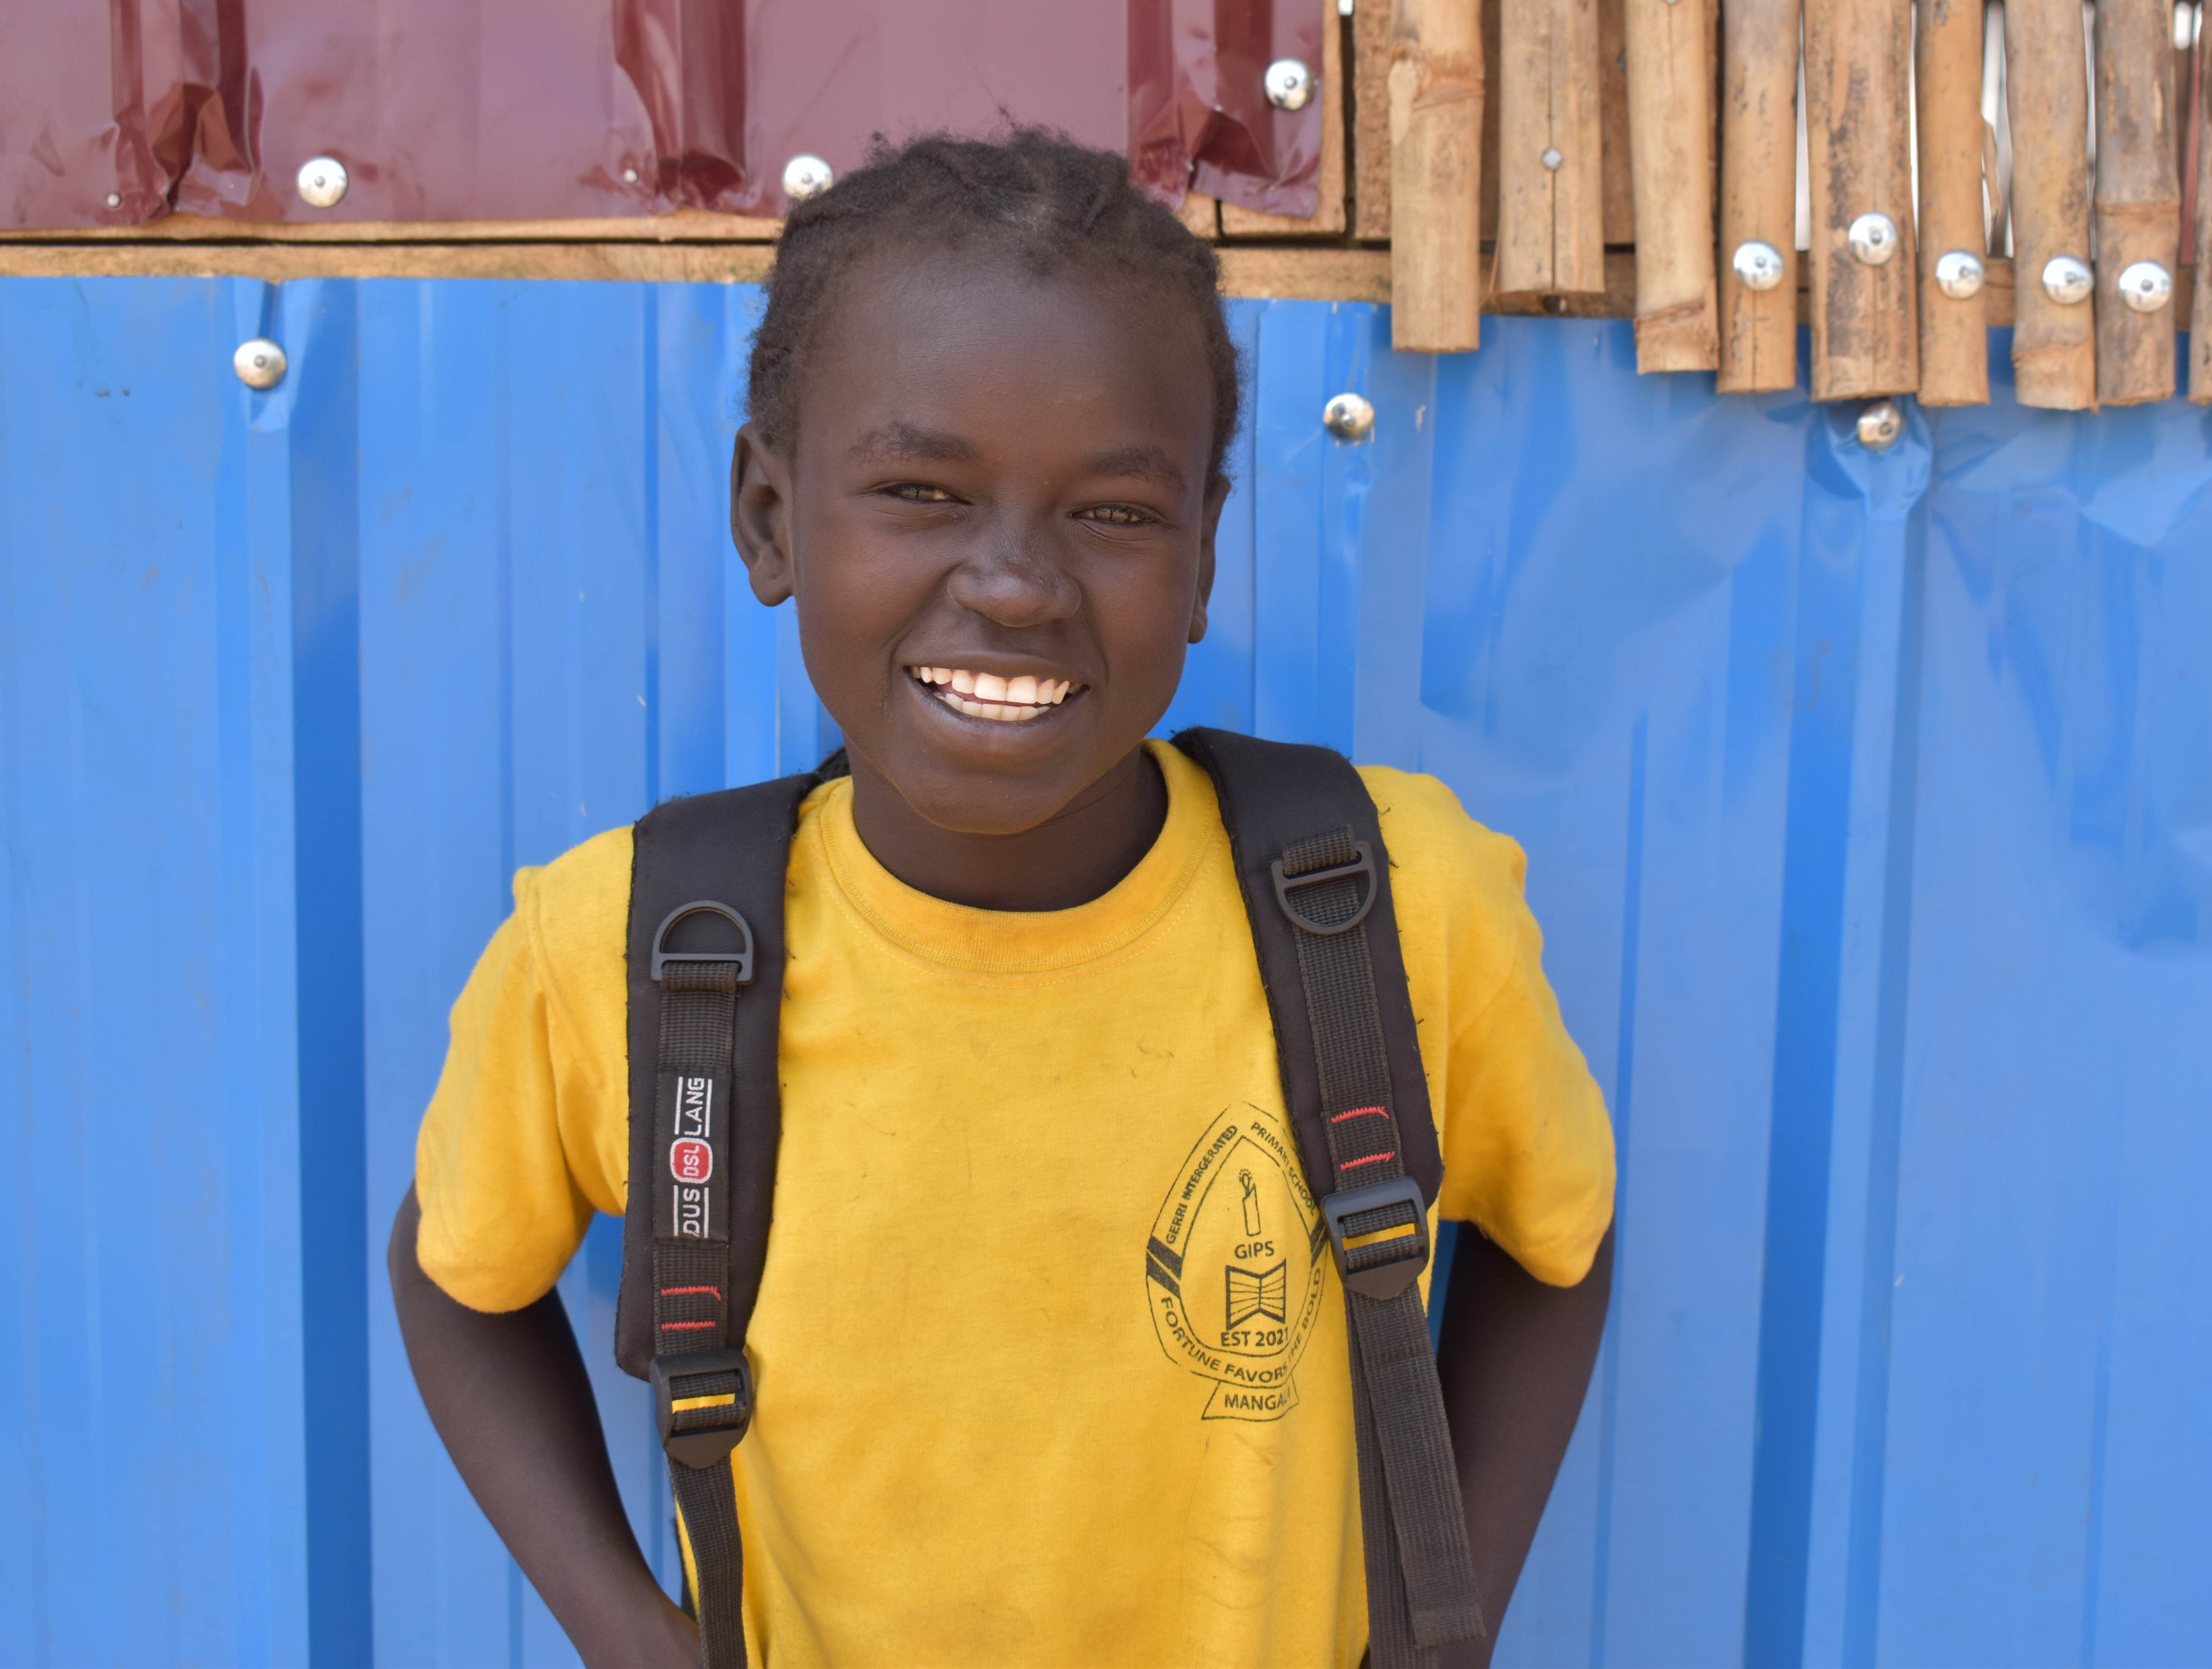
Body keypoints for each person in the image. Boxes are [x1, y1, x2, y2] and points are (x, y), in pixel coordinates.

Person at [388, 127, 1616, 1669]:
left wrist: (1447, 1623)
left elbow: (1559, 1239)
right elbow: (455, 1276)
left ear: (1205, 555)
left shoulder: (1387, 909)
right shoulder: (628, 957)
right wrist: (630, 1633)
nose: (1019, 583)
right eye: (919, 489)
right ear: (772, 518)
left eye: (1112, 514)